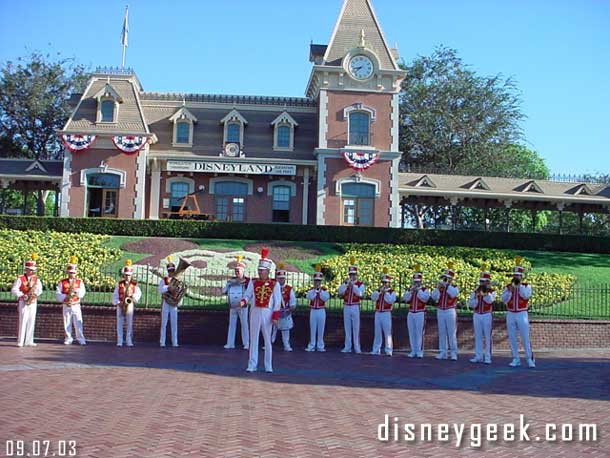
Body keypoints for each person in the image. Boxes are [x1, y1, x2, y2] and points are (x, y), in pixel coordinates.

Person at [244, 248, 282, 373]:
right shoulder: (253, 282)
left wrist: (275, 316)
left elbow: (277, 301)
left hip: (267, 312)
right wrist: (243, 301)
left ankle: (268, 365)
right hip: (254, 311)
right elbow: (248, 295)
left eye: (262, 271)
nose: (260, 273)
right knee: (253, 338)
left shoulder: (274, 284)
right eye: (259, 270)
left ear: (268, 271)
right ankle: (252, 364)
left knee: (267, 339)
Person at [501, 256, 535, 368]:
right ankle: (516, 358)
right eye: (514, 275)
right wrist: (510, 292)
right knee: (512, 337)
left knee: (525, 337)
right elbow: (503, 299)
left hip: (522, 313)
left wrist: (519, 286)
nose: (516, 277)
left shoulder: (526, 286)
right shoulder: (508, 287)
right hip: (510, 313)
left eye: (518, 275)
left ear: (521, 276)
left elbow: (526, 296)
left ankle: (529, 358)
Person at [11, 253, 43, 347]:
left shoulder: (36, 279)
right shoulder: (20, 278)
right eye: (29, 270)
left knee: (31, 320)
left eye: (32, 270)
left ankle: (29, 340)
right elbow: (14, 289)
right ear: (26, 269)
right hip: (23, 301)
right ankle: (20, 341)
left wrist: (35, 293)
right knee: (23, 320)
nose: (31, 272)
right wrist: (22, 295)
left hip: (33, 301)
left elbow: (40, 290)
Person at [468, 264, 496, 364]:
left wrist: (485, 294)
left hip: (487, 315)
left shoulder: (492, 291)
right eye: (481, 281)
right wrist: (475, 297)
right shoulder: (475, 291)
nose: (482, 283)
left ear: (488, 282)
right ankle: (478, 355)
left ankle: (488, 357)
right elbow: (471, 305)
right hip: (477, 315)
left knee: (487, 336)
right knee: (478, 336)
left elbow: (490, 301)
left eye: (484, 282)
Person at [431, 262, 459, 361]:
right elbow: (434, 297)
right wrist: (438, 288)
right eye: (444, 277)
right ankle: (443, 352)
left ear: (451, 279)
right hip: (440, 310)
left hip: (450, 311)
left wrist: (447, 286)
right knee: (442, 332)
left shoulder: (454, 287)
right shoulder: (440, 287)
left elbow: (453, 294)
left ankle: (453, 353)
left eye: (448, 278)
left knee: (451, 332)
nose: (445, 279)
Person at [56, 256, 87, 345]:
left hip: (76, 304)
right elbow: (58, 294)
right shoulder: (62, 282)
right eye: (70, 272)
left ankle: (80, 338)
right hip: (66, 304)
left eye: (73, 273)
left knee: (78, 321)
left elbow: (82, 293)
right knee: (67, 321)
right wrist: (65, 297)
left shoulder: (79, 282)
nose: (72, 274)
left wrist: (76, 291)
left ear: (76, 273)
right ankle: (68, 338)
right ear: (67, 272)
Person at [337, 256, 365, 353]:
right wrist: (346, 284)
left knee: (356, 327)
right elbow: (340, 292)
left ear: (356, 274)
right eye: (350, 274)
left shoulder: (360, 284)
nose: (352, 276)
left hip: (355, 306)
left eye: (354, 274)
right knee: (347, 327)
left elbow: (360, 294)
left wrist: (353, 286)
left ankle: (357, 347)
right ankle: (347, 346)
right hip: (346, 306)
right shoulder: (346, 283)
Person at [222, 255, 250, 350]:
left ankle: (246, 343)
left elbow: (250, 293)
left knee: (244, 324)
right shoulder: (231, 281)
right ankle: (230, 343)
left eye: (238, 271)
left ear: (243, 271)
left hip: (243, 306)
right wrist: (229, 284)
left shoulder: (247, 281)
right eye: (236, 271)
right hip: (233, 306)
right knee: (232, 324)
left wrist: (245, 301)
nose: (237, 272)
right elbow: (223, 291)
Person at [112, 259, 142, 347]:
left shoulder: (134, 284)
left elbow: (138, 293)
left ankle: (129, 340)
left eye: (129, 275)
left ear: (131, 275)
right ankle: (120, 341)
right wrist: (118, 302)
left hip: (129, 305)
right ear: (124, 275)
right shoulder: (119, 284)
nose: (127, 277)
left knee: (129, 323)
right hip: (120, 304)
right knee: (119, 323)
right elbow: (115, 294)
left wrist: (133, 297)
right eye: (126, 275)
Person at [403, 264, 430, 358]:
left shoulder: (424, 290)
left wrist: (418, 291)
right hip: (411, 312)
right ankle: (413, 350)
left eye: (418, 282)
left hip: (420, 312)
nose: (416, 283)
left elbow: (425, 299)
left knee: (419, 332)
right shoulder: (410, 289)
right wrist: (411, 291)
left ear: (421, 281)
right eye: (415, 282)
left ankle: (419, 351)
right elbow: (405, 299)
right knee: (412, 332)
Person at [370, 268, 396, 356]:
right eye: (383, 282)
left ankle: (389, 350)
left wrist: (385, 293)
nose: (384, 284)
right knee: (377, 332)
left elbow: (390, 301)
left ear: (389, 283)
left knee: (387, 333)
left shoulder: (392, 292)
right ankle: (376, 349)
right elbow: (373, 298)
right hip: (378, 313)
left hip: (386, 313)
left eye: (386, 282)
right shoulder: (378, 290)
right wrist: (379, 292)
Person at [159, 256, 183, 348]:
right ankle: (162, 342)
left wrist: (179, 300)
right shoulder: (164, 280)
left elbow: (181, 292)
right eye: (170, 271)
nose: (171, 273)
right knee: (164, 323)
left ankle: (175, 342)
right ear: (168, 271)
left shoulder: (178, 280)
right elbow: (160, 290)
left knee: (174, 323)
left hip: (174, 303)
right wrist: (168, 288)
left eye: (172, 271)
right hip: (166, 302)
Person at [271, 263, 297, 352]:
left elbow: (292, 301)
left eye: (282, 278)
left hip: (284, 311)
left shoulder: (289, 289)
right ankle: (269, 344)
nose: (281, 280)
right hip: (274, 311)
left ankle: (286, 345)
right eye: (279, 278)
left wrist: (291, 308)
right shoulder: (273, 288)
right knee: (272, 329)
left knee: (285, 330)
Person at [305, 265, 330, 352]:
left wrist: (320, 291)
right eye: (316, 281)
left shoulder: (325, 290)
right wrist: (315, 292)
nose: (317, 283)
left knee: (321, 329)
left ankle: (320, 345)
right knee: (312, 328)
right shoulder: (311, 290)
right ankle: (311, 345)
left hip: (321, 311)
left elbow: (325, 298)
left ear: (321, 281)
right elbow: (310, 297)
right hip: (313, 311)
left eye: (318, 281)